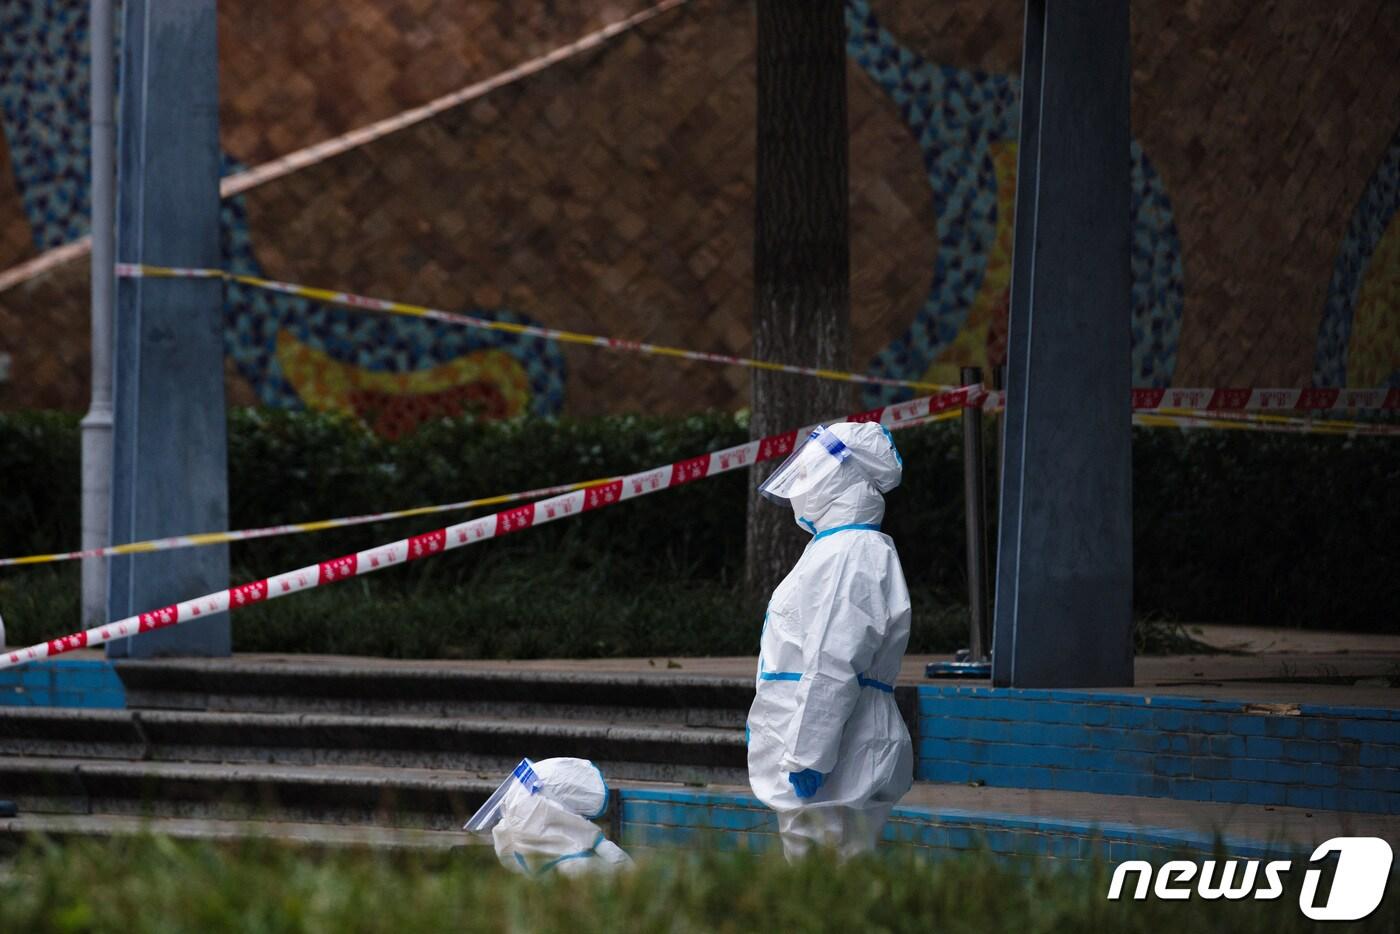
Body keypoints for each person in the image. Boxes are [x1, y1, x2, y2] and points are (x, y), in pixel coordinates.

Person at [746, 420, 913, 860]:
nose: (798, 485)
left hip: (837, 761)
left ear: (839, 475)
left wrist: (808, 755)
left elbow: (835, 660)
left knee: (828, 891)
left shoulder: (850, 553)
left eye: (807, 472)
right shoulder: (837, 549)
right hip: (834, 757)